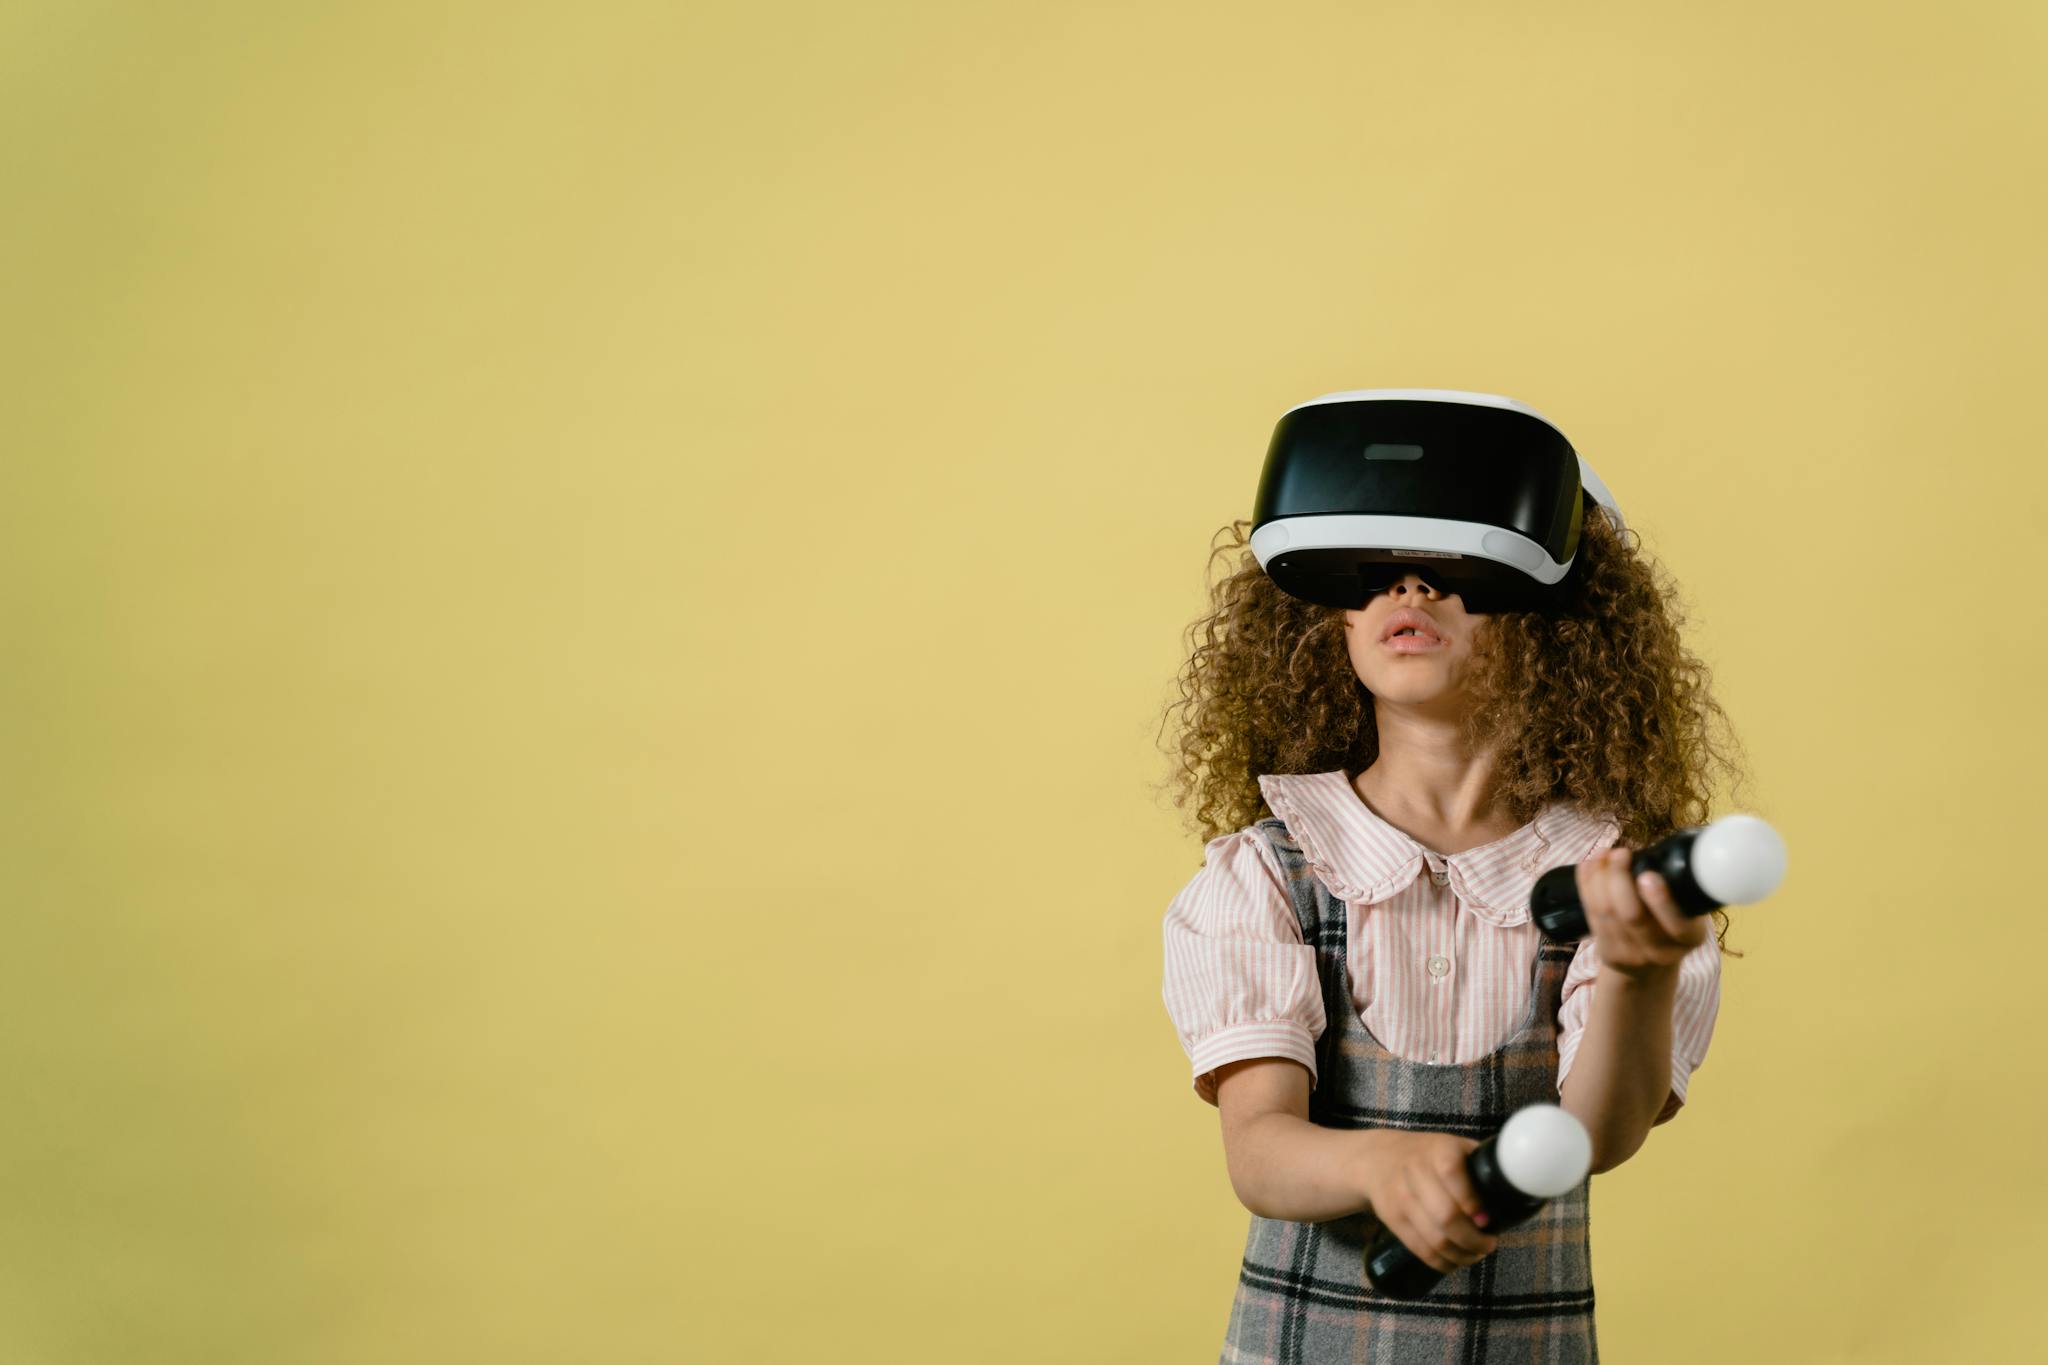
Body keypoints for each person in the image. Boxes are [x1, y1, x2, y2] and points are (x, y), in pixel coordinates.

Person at [1155, 503, 1753, 1363]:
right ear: (1335, 621)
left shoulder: (1614, 883)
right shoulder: (1271, 870)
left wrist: (1639, 970)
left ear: (1558, 622)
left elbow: (1599, 1135)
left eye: (1459, 567)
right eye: (1374, 571)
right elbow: (1257, 1153)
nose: (1412, 586)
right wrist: (1377, 1166)